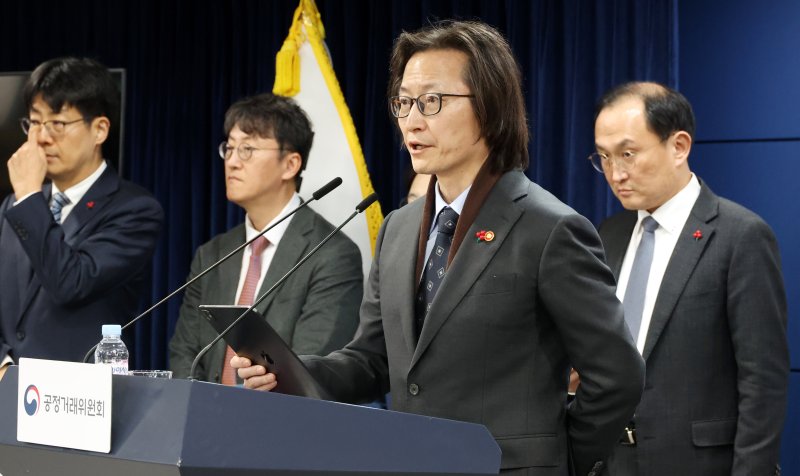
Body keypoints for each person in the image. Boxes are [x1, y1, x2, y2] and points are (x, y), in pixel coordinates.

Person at [234, 21, 644, 476]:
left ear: (488, 107)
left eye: (432, 101)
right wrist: (290, 372)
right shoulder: (398, 228)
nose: (412, 120)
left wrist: (559, 461)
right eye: (403, 102)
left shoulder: (550, 229)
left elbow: (617, 375)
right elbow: (371, 360)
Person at [590, 82, 788, 475]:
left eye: (628, 154)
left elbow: (762, 381)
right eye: (604, 157)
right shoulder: (607, 235)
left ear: (679, 146)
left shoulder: (740, 236)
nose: (616, 173)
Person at [169, 93, 363, 384]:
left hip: (281, 411)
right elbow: (183, 353)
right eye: (229, 148)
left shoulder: (332, 254)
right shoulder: (212, 255)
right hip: (203, 409)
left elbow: (313, 364)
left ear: (290, 164)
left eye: (247, 149)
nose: (232, 162)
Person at [0, 57, 163, 377]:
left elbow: (69, 283)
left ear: (99, 129)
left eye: (57, 124)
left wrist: (30, 196)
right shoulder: (13, 206)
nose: (41, 137)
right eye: (35, 123)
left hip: (77, 397)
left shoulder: (135, 211)